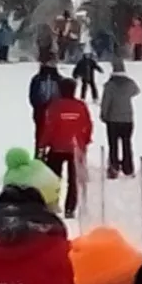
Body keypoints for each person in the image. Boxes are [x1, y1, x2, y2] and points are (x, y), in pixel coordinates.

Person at [40, 79, 93, 220]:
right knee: (73, 180)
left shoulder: (54, 106)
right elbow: (88, 125)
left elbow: (49, 127)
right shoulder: (80, 106)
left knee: (52, 179)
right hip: (75, 148)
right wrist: (85, 141)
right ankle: (70, 208)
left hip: (56, 148)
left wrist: (43, 144)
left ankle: (51, 204)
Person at [100, 64, 140, 179]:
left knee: (113, 145)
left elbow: (105, 102)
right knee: (127, 143)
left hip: (112, 120)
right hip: (127, 119)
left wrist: (103, 115)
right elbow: (136, 91)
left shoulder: (110, 85)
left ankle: (114, 167)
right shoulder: (129, 84)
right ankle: (128, 168)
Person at [2, 147, 63, 213]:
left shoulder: (13, 174)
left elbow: (10, 192)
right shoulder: (37, 164)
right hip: (54, 195)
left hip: (38, 201)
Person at [28, 58, 64, 147]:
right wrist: (38, 106)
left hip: (55, 111)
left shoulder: (60, 80)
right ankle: (39, 152)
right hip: (40, 111)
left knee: (55, 135)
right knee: (40, 135)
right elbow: (32, 96)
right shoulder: (37, 79)